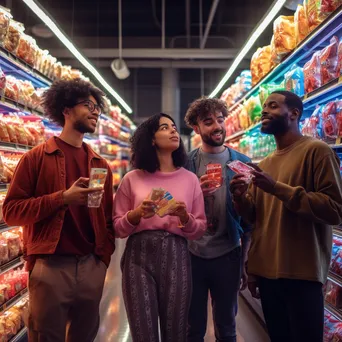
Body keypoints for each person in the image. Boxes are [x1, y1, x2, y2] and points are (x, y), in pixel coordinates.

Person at [2, 79, 115, 342]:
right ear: (66, 109)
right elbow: (11, 212)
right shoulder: (36, 159)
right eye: (88, 105)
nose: (96, 111)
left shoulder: (100, 165)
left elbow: (107, 218)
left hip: (91, 266)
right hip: (50, 267)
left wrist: (102, 260)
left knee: (84, 336)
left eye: (98, 107)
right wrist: (62, 198)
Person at [230, 90, 342, 342]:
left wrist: (277, 188)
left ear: (294, 114)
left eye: (272, 106)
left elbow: (334, 209)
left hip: (302, 274)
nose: (264, 112)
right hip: (269, 276)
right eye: (264, 107)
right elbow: (257, 219)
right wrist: (239, 198)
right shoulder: (266, 163)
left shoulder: (317, 151)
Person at [113, 113, 206, 342]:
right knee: (142, 332)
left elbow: (199, 229)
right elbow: (117, 228)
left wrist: (185, 217)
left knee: (176, 332)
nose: (174, 131)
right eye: (165, 127)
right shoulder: (132, 179)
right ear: (151, 139)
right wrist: (135, 215)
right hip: (138, 258)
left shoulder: (190, 179)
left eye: (174, 127)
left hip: (177, 255)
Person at [184, 97, 252, 342]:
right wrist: (195, 193)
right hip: (192, 255)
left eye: (220, 120)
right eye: (208, 121)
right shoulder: (185, 164)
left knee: (227, 327)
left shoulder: (242, 164)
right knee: (193, 327)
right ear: (197, 128)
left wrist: (246, 259)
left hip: (228, 254)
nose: (217, 126)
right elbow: (175, 210)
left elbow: (250, 221)